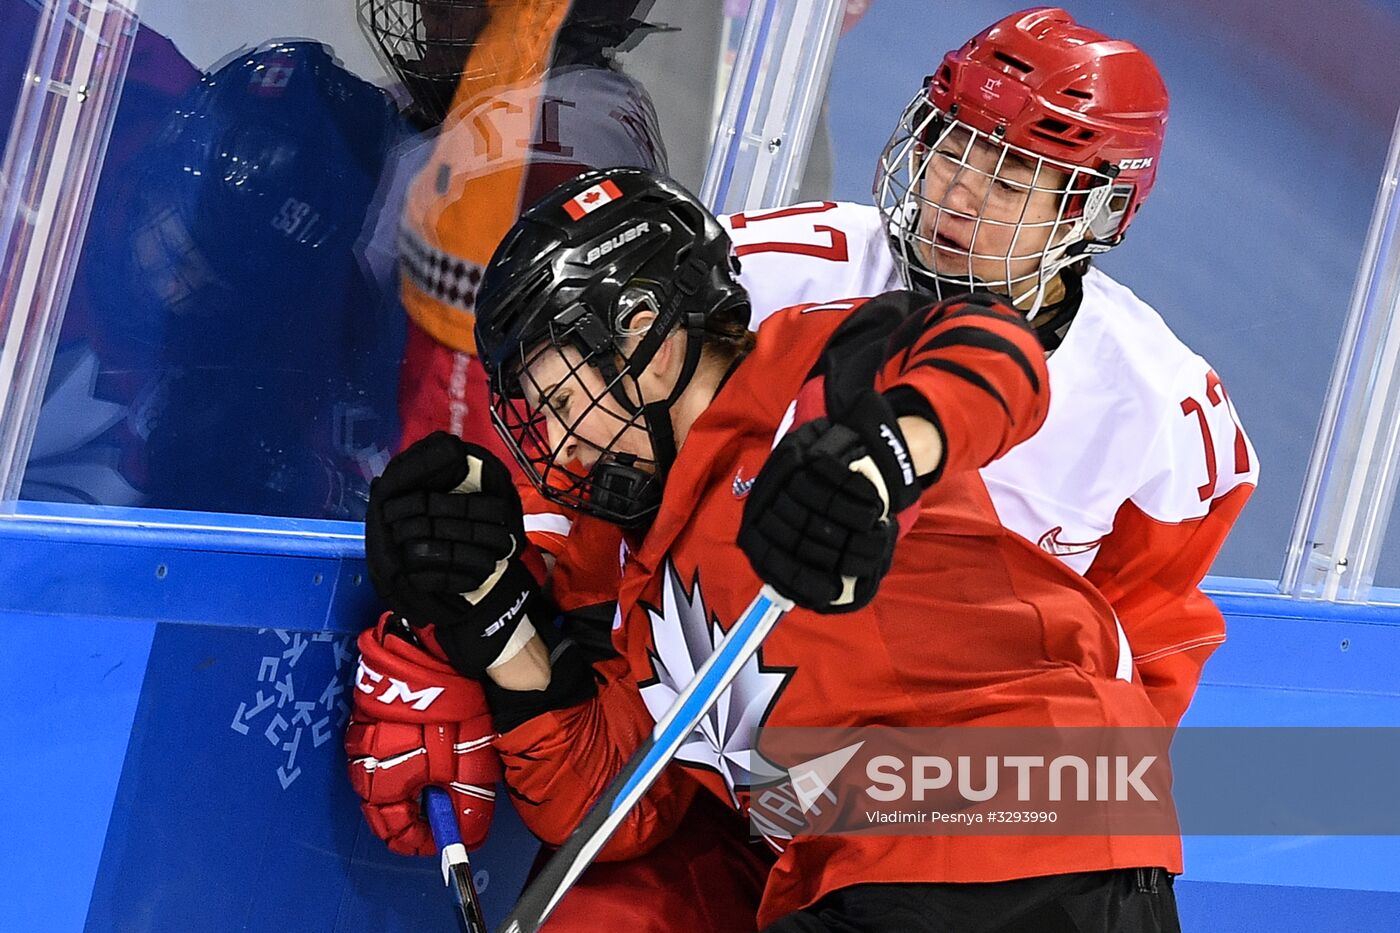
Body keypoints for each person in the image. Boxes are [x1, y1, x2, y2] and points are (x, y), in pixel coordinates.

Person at [357, 166, 1182, 931]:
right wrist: (500, 620)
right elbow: (615, 805)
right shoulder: (652, 585)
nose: (563, 448)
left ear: (645, 334)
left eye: (566, 397)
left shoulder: (812, 376)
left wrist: (883, 456)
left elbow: (994, 357)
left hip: (1025, 816)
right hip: (880, 873)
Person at [520, 6, 1258, 731]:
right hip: (695, 705)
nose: (954, 192)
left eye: (1006, 180)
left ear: (1089, 215)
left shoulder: (1164, 412)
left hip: (913, 773)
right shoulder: (763, 272)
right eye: (947, 147)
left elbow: (1141, 654)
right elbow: (580, 414)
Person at [354, 0, 669, 455]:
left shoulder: (575, 126)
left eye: (456, 4)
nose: (428, 9)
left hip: (483, 446)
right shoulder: (603, 102)